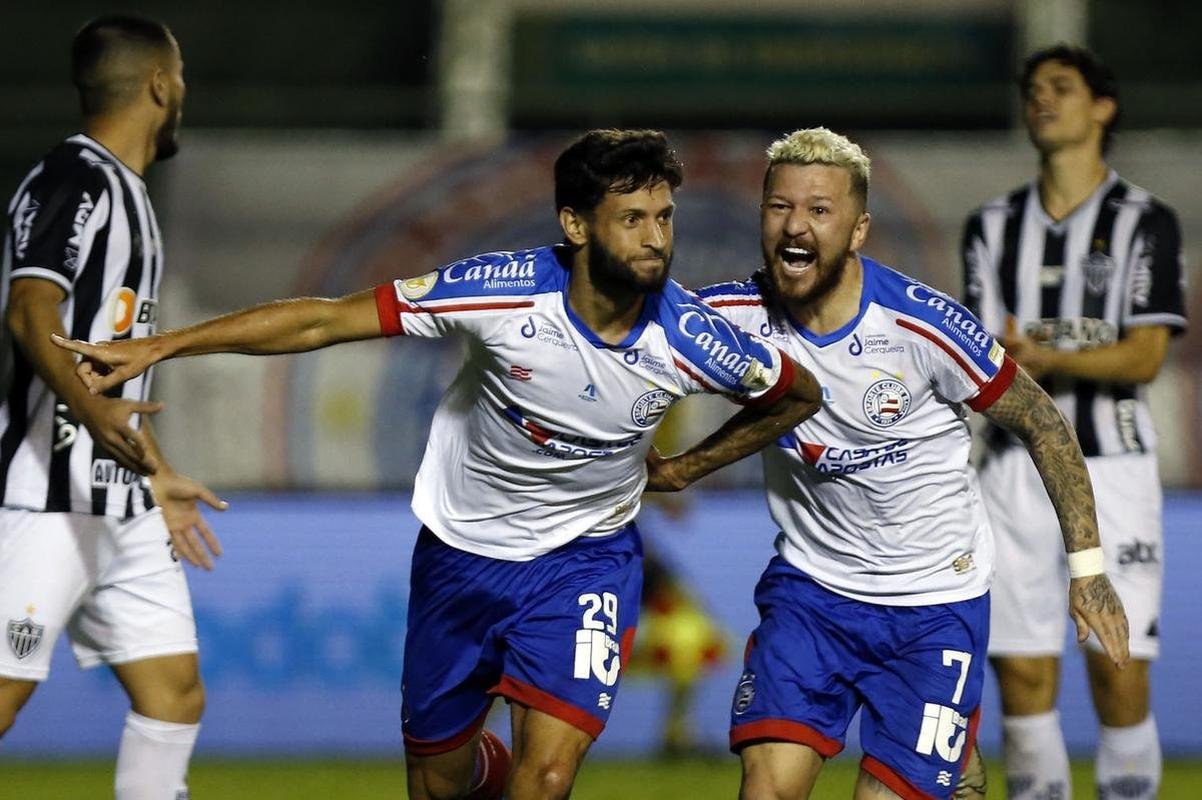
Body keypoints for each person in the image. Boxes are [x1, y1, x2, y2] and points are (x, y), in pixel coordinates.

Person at [54, 128, 822, 800]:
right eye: (632, 220)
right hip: (463, 557)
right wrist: (164, 345)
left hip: (585, 564)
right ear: (574, 224)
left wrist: (688, 467)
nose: (656, 239)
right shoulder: (502, 293)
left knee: (548, 775)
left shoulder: (691, 335)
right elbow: (324, 320)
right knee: (440, 780)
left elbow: (795, 396)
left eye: (663, 217)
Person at [684, 127, 1130, 800]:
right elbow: (620, 350)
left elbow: (1042, 421)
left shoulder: (922, 327)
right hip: (812, 595)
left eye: (818, 209)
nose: (794, 225)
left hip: (933, 606)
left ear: (859, 229)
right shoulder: (728, 316)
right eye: (779, 207)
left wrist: (1088, 572)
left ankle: (950, 759)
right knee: (766, 789)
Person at [0, 15, 226, 800]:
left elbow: (113, 363)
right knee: (2, 696)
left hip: (120, 500)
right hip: (42, 496)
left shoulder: (128, 194)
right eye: (183, 75)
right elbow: (31, 311)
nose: (184, 91)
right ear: (162, 85)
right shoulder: (77, 178)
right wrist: (94, 420)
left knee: (174, 695)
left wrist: (152, 470)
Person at [961, 45, 1186, 800]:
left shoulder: (1145, 221)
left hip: (1113, 467)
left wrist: (1045, 349)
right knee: (1022, 665)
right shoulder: (991, 227)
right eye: (1032, 90)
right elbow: (986, 363)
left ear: (1103, 107)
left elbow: (1145, 355)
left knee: (1115, 661)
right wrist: (1042, 354)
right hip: (1009, 470)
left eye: (1061, 87)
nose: (1041, 100)